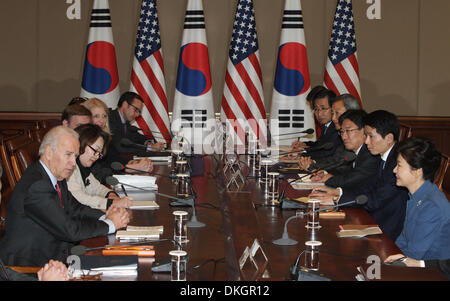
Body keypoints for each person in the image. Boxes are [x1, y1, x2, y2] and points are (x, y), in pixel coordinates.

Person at [0, 126, 130, 266]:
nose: (73, 163)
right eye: (68, 155)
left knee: (124, 261)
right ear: (49, 152)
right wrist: (109, 224)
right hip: (31, 268)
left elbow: (76, 208)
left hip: (59, 256)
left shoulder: (56, 175)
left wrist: (105, 216)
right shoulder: (36, 186)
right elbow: (69, 230)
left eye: (75, 156)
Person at [309, 110, 408, 241]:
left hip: (385, 229)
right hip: (373, 219)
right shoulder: (385, 156)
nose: (366, 142)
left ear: (389, 138)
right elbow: (367, 187)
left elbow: (376, 200)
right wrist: (337, 194)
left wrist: (335, 199)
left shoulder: (396, 163)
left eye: (370, 136)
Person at [384, 137, 450, 261]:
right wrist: (388, 254)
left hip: (431, 272)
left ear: (417, 172)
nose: (394, 170)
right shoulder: (416, 196)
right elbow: (404, 239)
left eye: (399, 165)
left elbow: (415, 254)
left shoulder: (432, 206)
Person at [82, 97, 154, 183]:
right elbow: (98, 169)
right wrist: (127, 168)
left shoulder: (104, 136)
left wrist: (134, 162)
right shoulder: (84, 140)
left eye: (104, 116)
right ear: (86, 118)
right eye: (96, 116)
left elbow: (114, 157)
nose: (101, 120)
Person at [308, 110, 379, 189]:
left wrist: (329, 179)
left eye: (348, 131)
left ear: (364, 131)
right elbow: (346, 172)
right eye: (342, 131)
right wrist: (325, 174)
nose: (344, 137)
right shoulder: (355, 152)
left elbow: (352, 180)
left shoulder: (370, 155)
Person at [67, 124, 132, 210]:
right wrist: (111, 203)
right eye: (95, 150)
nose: (97, 156)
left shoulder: (83, 168)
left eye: (99, 153)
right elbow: (79, 198)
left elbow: (97, 188)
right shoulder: (68, 167)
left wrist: (110, 194)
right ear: (82, 142)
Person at [298, 93, 361, 171]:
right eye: (332, 113)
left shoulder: (358, 138)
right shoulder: (342, 133)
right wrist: (312, 163)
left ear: (350, 112)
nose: (333, 118)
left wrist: (312, 166)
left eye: (337, 113)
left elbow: (340, 165)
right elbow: (336, 160)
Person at [291, 89, 341, 160]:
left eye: (323, 108)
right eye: (316, 109)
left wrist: (302, 153)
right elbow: (320, 145)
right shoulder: (326, 124)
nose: (319, 114)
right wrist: (306, 144)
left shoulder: (337, 127)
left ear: (333, 108)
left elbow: (327, 153)